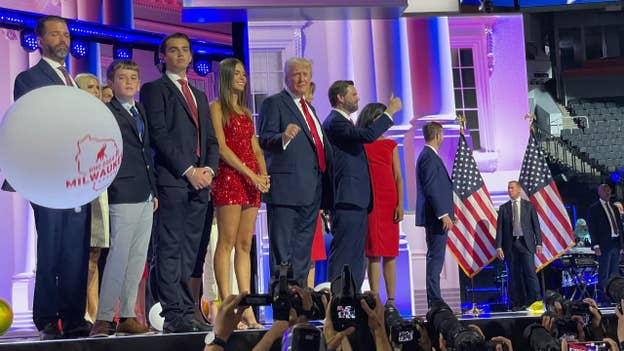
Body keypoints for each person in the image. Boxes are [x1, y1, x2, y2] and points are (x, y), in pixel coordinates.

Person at [4, 15, 92, 340]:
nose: (64, 39)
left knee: (76, 249)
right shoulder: (29, 78)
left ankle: (73, 317)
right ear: (40, 41)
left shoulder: (75, 81)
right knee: (52, 246)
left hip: (79, 178)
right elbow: (32, 121)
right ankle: (46, 318)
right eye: (55, 34)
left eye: (66, 34)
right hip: (49, 175)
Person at [140, 32, 219, 333]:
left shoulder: (198, 94)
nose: (181, 55)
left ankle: (187, 308)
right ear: (163, 57)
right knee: (170, 248)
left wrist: (208, 169)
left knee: (192, 251)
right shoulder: (153, 89)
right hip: (174, 179)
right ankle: (173, 313)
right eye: (173, 50)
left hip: (202, 182)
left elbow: (210, 139)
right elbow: (159, 135)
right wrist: (188, 170)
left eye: (185, 50)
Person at [89, 60, 158, 337]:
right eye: (122, 77)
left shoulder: (139, 110)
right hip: (122, 192)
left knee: (137, 258)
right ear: (111, 83)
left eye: (133, 77)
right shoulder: (107, 112)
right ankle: (104, 318)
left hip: (144, 193)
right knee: (118, 256)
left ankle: (128, 315)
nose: (129, 82)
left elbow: (146, 154)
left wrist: (153, 190)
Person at [258, 57, 333, 287]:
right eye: (296, 74)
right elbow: (265, 139)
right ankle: (282, 297)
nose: (302, 79)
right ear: (286, 78)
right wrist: (283, 137)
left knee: (303, 247)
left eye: (305, 74)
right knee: (283, 247)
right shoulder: (275, 103)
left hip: (311, 190)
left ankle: (299, 295)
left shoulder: (308, 107)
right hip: (286, 189)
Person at [323, 80, 400, 290]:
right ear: (341, 98)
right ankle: (338, 302)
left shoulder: (344, 122)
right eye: (354, 94)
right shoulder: (335, 122)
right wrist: (389, 112)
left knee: (357, 256)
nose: (358, 98)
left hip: (357, 198)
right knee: (345, 252)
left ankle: (353, 300)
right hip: (346, 197)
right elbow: (366, 135)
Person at [210, 58, 269, 329]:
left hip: (251, 181)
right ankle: (226, 305)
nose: (242, 78)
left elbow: (255, 148)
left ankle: (246, 308)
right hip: (231, 177)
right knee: (227, 243)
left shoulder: (245, 112)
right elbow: (221, 148)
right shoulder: (217, 107)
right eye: (237, 74)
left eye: (244, 74)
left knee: (246, 245)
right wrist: (250, 174)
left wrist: (263, 175)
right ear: (225, 77)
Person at [356, 102, 404, 306]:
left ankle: (391, 300)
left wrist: (400, 204)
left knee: (391, 252)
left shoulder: (390, 145)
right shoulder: (362, 144)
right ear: (371, 119)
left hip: (389, 201)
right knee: (374, 252)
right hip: (371, 202)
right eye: (379, 117)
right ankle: (375, 297)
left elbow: (398, 177)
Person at [75, 72, 110, 324]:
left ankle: (95, 311)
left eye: (97, 87)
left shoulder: (104, 120)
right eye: (90, 87)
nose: (96, 91)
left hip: (101, 190)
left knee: (96, 252)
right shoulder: (74, 121)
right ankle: (81, 311)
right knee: (83, 253)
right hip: (80, 190)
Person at [415, 121, 454, 306]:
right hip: (435, 217)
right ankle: (435, 299)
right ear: (438, 135)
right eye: (442, 135)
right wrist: (442, 214)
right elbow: (431, 187)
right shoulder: (428, 157)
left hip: (438, 216)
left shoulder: (429, 155)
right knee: (435, 259)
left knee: (436, 258)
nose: (443, 138)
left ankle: (435, 298)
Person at [495, 180, 542, 310]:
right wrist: (498, 246)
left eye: (512, 188)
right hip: (511, 244)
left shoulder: (529, 206)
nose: (510, 190)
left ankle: (536, 301)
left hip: (526, 243)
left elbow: (536, 226)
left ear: (519, 190)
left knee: (530, 273)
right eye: (508, 188)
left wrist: (539, 242)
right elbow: (499, 229)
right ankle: (518, 302)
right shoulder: (504, 208)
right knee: (514, 275)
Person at [588, 183, 623, 299]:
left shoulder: (614, 208)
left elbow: (619, 226)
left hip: (616, 243)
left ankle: (615, 296)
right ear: (600, 192)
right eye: (605, 190)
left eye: (609, 190)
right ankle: (604, 298)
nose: (608, 192)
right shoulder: (594, 208)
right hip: (603, 245)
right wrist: (596, 245)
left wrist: (622, 244)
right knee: (604, 273)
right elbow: (592, 227)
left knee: (615, 273)